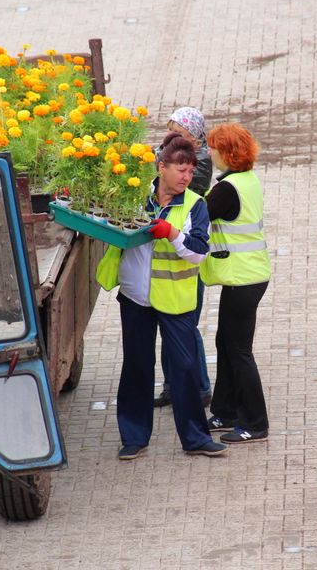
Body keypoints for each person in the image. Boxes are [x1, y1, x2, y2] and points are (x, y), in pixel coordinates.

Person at [96, 133, 226, 459]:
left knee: (183, 368)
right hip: (135, 298)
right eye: (180, 170)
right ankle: (134, 437)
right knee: (137, 366)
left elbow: (198, 252)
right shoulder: (135, 195)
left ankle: (196, 438)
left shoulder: (196, 205)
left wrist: (172, 234)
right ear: (161, 167)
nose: (186, 177)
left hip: (175, 300)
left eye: (190, 171)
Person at [201, 123, 272, 444]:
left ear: (226, 152)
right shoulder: (246, 180)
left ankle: (255, 423)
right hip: (249, 277)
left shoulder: (227, 189)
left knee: (239, 350)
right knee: (225, 343)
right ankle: (225, 411)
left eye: (213, 147)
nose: (209, 152)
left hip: (243, 279)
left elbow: (197, 215)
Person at [154, 107, 213, 408]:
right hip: (164, 279)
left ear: (193, 135)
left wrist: (163, 157)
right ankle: (171, 386)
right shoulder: (177, 157)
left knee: (186, 329)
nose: (173, 134)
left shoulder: (198, 165)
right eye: (171, 129)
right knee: (172, 332)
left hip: (185, 272)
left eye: (179, 130)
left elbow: (186, 184)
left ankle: (200, 388)